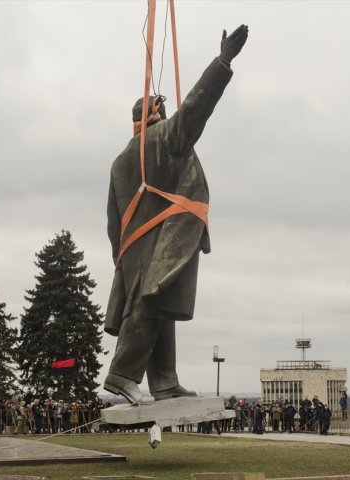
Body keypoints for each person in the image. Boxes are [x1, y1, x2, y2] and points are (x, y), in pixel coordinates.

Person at [103, 25, 249, 404]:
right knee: (152, 304)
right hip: (159, 237)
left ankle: (164, 380)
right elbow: (196, 108)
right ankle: (121, 374)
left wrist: (122, 259)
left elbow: (111, 220)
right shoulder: (164, 138)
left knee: (160, 302)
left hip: (132, 249)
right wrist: (222, 62)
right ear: (158, 115)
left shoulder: (121, 160)